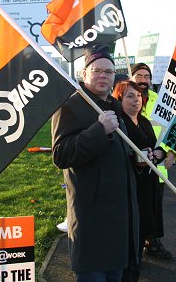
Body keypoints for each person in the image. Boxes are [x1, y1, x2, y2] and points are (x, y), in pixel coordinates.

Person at [51, 44, 139, 282]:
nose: (103, 76)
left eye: (108, 72)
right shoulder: (69, 105)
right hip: (92, 214)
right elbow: (61, 155)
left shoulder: (114, 105)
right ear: (84, 74)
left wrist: (138, 159)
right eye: (97, 71)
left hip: (118, 215)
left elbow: (118, 151)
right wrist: (99, 130)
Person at [112, 80, 167, 275]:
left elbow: (156, 148)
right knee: (132, 233)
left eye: (138, 96)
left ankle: (137, 262)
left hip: (149, 185)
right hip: (133, 186)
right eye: (129, 96)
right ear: (119, 99)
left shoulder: (144, 121)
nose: (136, 100)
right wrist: (138, 160)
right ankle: (129, 268)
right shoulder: (119, 125)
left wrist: (158, 155)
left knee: (144, 228)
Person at [130, 63, 174, 259]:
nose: (143, 80)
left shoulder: (160, 101)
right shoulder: (125, 99)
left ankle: (152, 243)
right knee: (136, 210)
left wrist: (172, 152)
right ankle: (135, 249)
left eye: (146, 76)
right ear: (132, 78)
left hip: (158, 170)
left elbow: (173, 130)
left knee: (155, 211)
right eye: (139, 75)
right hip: (135, 169)